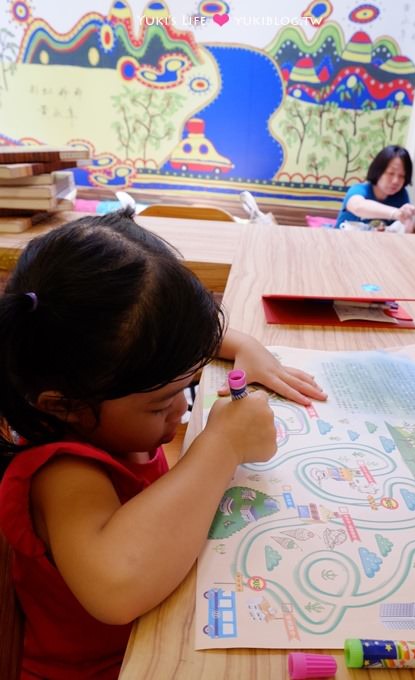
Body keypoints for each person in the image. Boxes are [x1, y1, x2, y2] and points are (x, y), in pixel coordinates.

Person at [0, 209, 326, 680]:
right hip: (110, 667)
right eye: (162, 403)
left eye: (188, 387)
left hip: (159, 632)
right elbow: (117, 588)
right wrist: (222, 444)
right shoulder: (62, 473)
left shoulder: (98, 383)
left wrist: (247, 347)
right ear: (64, 406)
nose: (181, 412)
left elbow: (171, 341)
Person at [335, 145, 415, 232]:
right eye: (391, 173)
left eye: (402, 176)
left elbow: (407, 230)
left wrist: (408, 217)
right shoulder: (359, 189)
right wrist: (395, 213)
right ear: (378, 171)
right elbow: (358, 207)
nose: (396, 181)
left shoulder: (401, 195)